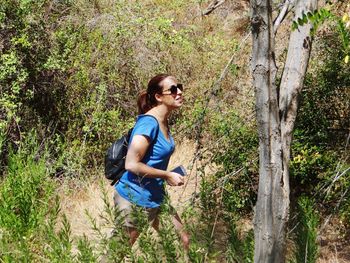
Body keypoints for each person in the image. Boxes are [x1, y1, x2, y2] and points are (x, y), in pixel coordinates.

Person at [114, 73, 190, 250]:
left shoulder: (163, 121)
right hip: (134, 198)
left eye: (179, 87)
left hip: (156, 197)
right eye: (172, 89)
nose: (179, 92)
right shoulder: (149, 123)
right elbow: (131, 164)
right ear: (158, 96)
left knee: (183, 241)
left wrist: (167, 175)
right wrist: (166, 175)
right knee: (116, 253)